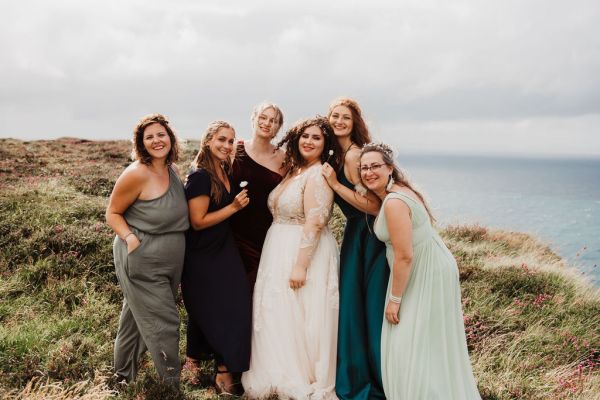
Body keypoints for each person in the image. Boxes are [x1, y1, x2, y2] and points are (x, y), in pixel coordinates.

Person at [359, 143, 481, 399]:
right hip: (431, 265)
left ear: (390, 168)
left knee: (407, 344)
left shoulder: (393, 202)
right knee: (427, 344)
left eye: (375, 166)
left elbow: (404, 256)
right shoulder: (398, 191)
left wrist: (394, 300)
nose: (369, 172)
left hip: (424, 271)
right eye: (364, 168)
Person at [242, 116, 341, 399]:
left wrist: (300, 266)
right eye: (305, 136)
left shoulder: (319, 174)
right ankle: (275, 368)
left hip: (303, 251)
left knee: (302, 313)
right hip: (278, 247)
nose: (309, 141)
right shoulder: (296, 170)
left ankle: (301, 375)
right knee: (277, 312)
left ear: (325, 145)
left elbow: (315, 222)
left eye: (316, 138)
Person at [106, 113, 189, 385]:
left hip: (169, 261)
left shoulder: (171, 170)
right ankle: (171, 385)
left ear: (170, 138)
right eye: (149, 137)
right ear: (141, 143)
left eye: (161, 134)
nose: (156, 140)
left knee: (133, 321)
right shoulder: (136, 174)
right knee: (165, 323)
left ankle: (121, 380)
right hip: (142, 259)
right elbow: (113, 213)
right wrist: (130, 238)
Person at [321, 98, 389, 399]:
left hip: (368, 236)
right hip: (355, 234)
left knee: (365, 307)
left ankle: (371, 379)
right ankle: (358, 373)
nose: (338, 121)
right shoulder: (337, 153)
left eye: (345, 117)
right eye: (334, 116)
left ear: (354, 122)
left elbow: (374, 206)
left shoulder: (353, 155)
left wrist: (335, 185)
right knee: (354, 307)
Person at [182, 121, 252, 395]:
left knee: (235, 306)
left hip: (224, 249)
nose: (226, 145)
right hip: (202, 255)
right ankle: (219, 370)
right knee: (213, 309)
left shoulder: (224, 169)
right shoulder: (199, 176)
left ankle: (205, 362)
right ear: (208, 140)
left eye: (231, 141)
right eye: (221, 139)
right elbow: (198, 221)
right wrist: (234, 207)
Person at [230, 102, 286, 292]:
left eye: (274, 120)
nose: (267, 123)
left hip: (264, 234)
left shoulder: (284, 159)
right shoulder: (233, 150)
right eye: (263, 117)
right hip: (231, 231)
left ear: (278, 128)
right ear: (253, 119)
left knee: (257, 289)